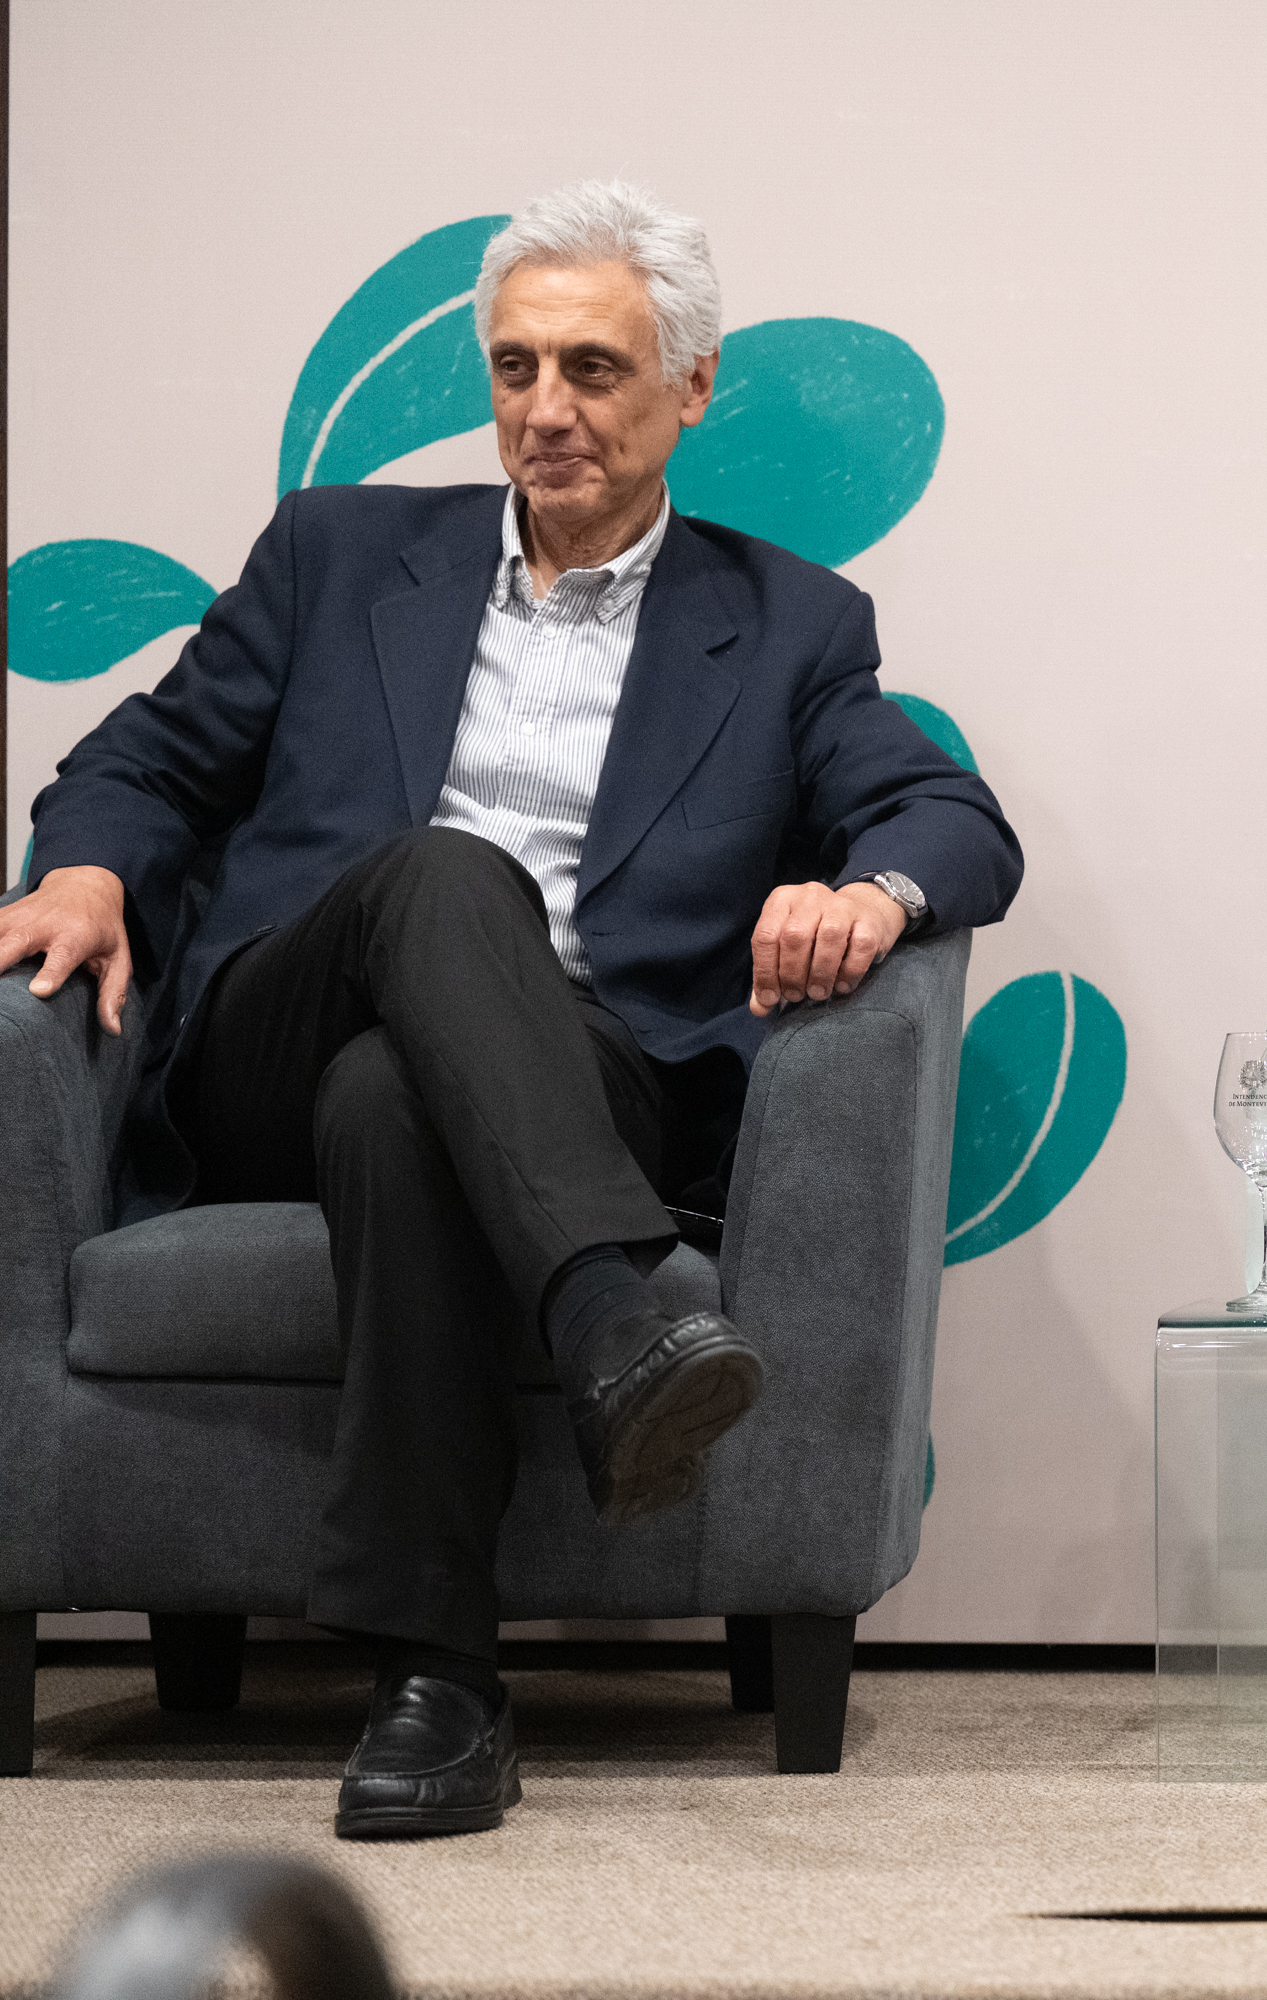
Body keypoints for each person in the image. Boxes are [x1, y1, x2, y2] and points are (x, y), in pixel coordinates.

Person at [0, 181, 1021, 1840]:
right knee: (446, 881)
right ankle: (619, 1319)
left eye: (596, 370)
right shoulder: (334, 557)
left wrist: (870, 892)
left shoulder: (787, 628)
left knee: (401, 1102)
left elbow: (950, 818)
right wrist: (93, 870)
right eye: (517, 367)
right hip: (282, 1026)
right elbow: (142, 759)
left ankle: (441, 1685)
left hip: (579, 1074)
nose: (545, 410)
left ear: (690, 389)